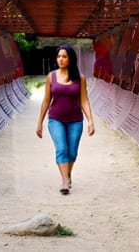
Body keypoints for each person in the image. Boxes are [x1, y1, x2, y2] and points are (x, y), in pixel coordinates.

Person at [35, 45, 94, 194]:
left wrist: (90, 121)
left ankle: (67, 175)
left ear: (70, 59)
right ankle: (64, 181)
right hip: (56, 119)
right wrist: (39, 123)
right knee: (62, 149)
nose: (60, 59)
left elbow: (84, 101)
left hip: (75, 120)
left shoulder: (79, 78)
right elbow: (46, 101)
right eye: (59, 56)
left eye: (64, 56)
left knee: (72, 152)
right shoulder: (51, 76)